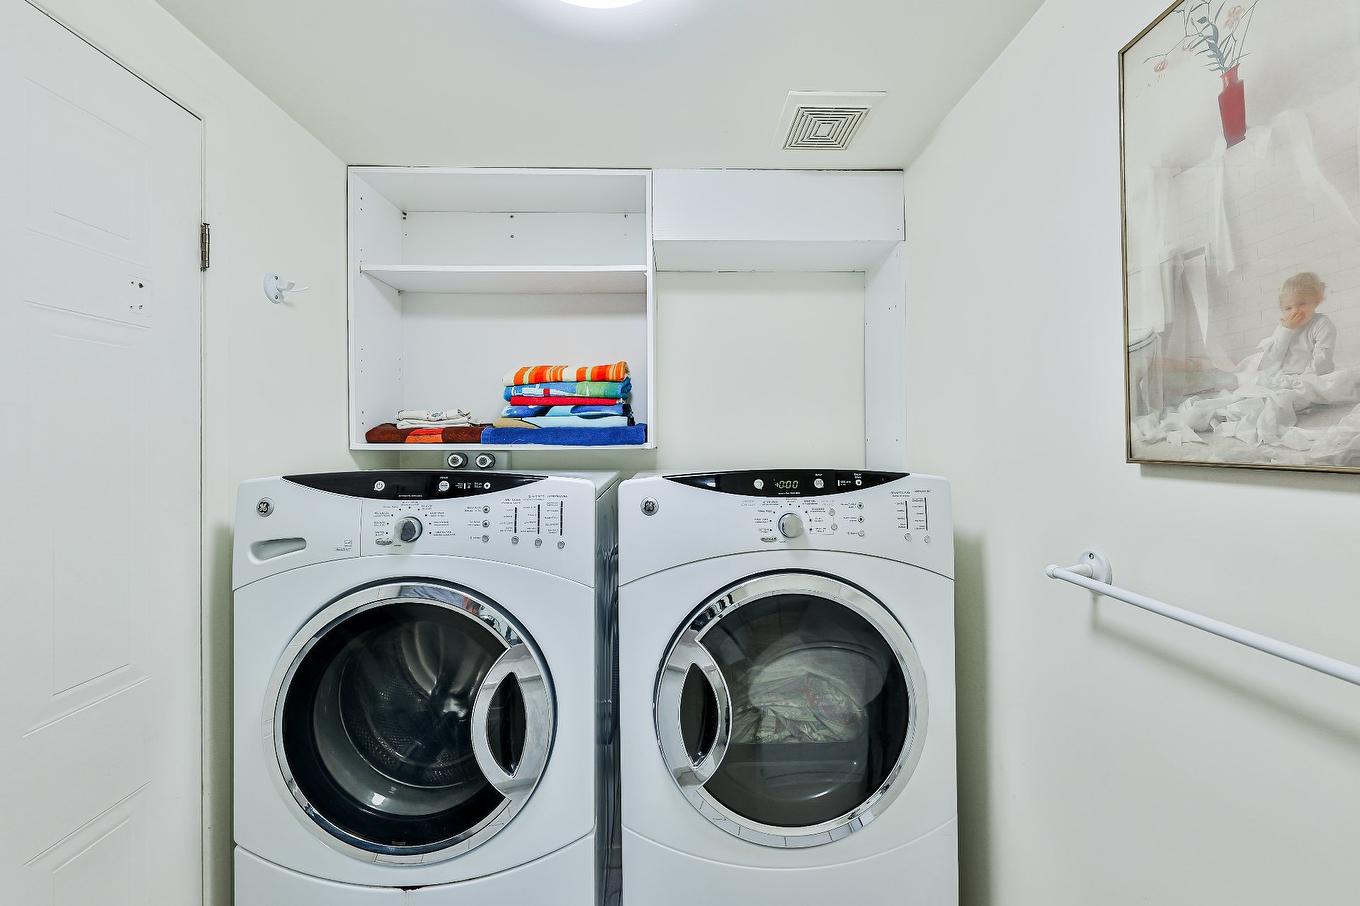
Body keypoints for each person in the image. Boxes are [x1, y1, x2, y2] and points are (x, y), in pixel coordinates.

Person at [1243, 272, 1337, 376]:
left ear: (1316, 301)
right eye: (1288, 308)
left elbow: (1323, 358)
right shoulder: (1283, 328)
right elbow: (1274, 357)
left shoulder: (1321, 323)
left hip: (1313, 374)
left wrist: (1308, 376)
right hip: (1286, 374)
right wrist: (1287, 330)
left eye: (1302, 304)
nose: (1295, 311)